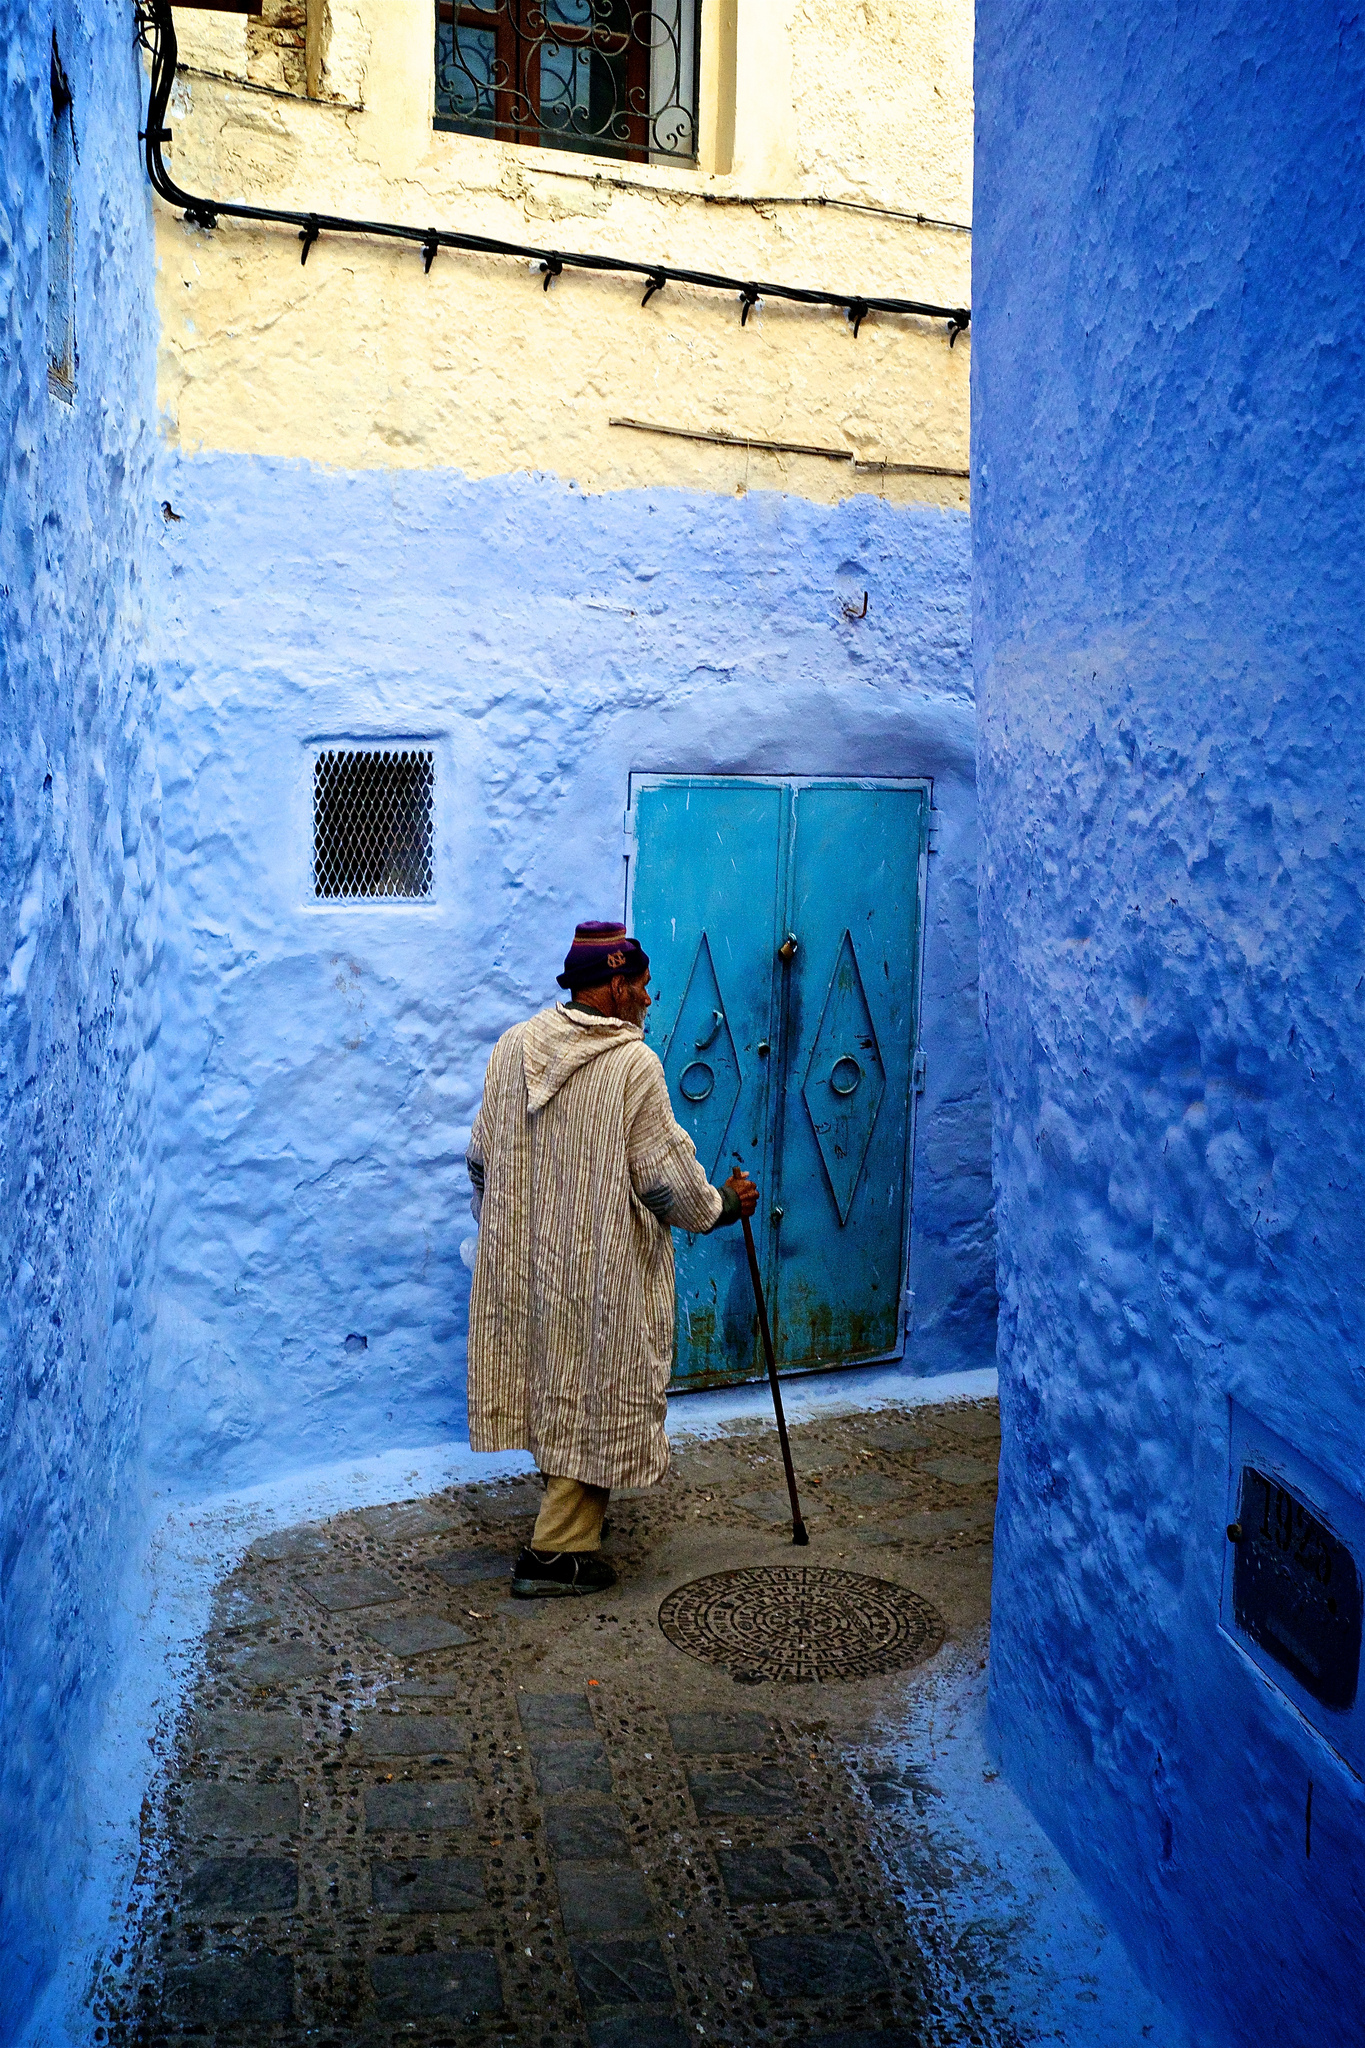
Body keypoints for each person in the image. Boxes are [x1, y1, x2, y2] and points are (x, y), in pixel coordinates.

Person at [465, 919, 758, 1596]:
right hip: (601, 1270)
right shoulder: (632, 1063)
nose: (649, 1000)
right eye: (645, 987)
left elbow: (480, 1158)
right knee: (597, 1386)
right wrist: (719, 1206)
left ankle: (561, 1530)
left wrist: (509, 1228)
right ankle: (553, 1555)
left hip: (528, 1266)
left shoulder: (512, 1049)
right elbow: (663, 1181)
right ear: (619, 985)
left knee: (552, 1380)